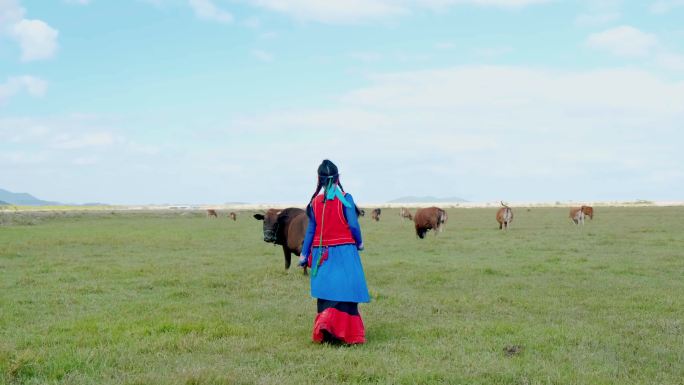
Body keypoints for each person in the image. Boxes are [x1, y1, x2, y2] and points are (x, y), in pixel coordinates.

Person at [298, 159, 370, 344]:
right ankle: (348, 335)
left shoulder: (315, 202)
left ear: (319, 180)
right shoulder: (346, 198)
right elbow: (353, 225)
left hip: (321, 255)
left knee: (327, 293)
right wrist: (360, 242)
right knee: (346, 292)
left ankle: (326, 328)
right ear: (338, 178)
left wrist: (304, 254)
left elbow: (311, 230)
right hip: (345, 252)